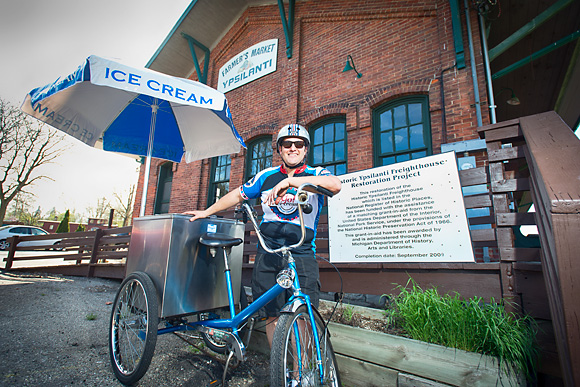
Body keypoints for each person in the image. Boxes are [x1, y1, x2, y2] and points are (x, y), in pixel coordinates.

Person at [185, 123, 341, 346]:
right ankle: (280, 370)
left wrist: (291, 182)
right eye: (287, 144)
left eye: (299, 144)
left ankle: (301, 374)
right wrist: (207, 211)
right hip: (268, 251)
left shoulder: (315, 174)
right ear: (279, 149)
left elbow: (335, 185)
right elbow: (238, 195)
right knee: (271, 314)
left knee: (305, 316)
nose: (293, 148)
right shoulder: (265, 176)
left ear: (306, 150)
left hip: (302, 251)